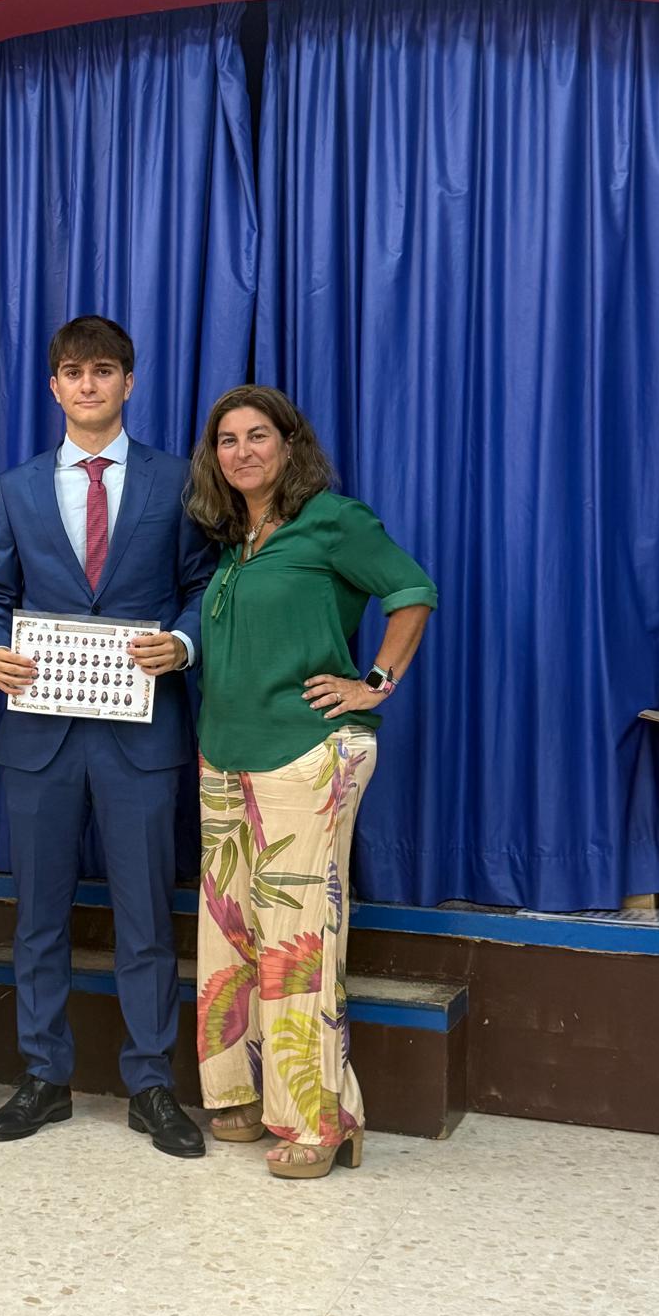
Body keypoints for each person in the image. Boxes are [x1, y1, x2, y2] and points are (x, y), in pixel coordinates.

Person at [0, 315, 217, 1158]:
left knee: (145, 916)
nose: (88, 384)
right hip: (39, 735)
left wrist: (182, 643)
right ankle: (45, 1076)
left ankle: (151, 1085)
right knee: (38, 915)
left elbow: (203, 585)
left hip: (141, 736)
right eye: (73, 373)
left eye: (103, 371)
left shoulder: (176, 480)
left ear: (127, 382)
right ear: (54, 387)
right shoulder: (17, 487)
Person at [186, 385, 436, 1179]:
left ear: (290, 444)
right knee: (228, 931)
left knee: (299, 941)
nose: (242, 451)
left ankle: (323, 1121)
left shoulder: (333, 520)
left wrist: (374, 683)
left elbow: (412, 592)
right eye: (227, 440)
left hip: (308, 754)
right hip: (225, 754)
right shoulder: (236, 539)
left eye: (258, 435)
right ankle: (239, 1093)